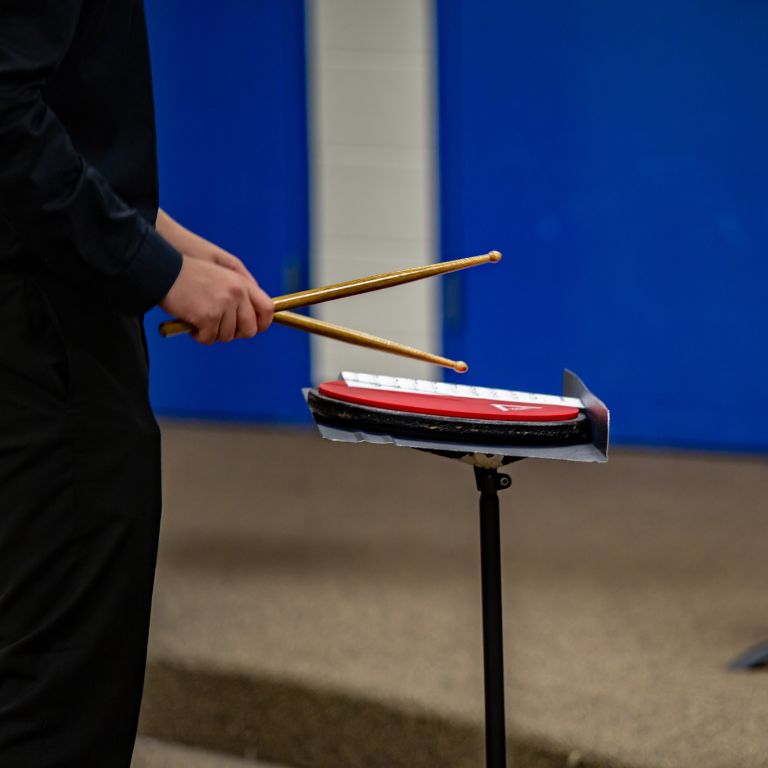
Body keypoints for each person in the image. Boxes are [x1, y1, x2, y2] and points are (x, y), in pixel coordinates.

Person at [0, 2, 274, 765]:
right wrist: (154, 271)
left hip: (43, 324)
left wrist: (164, 238)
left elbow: (64, 115)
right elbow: (7, 114)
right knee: (52, 699)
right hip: (43, 343)